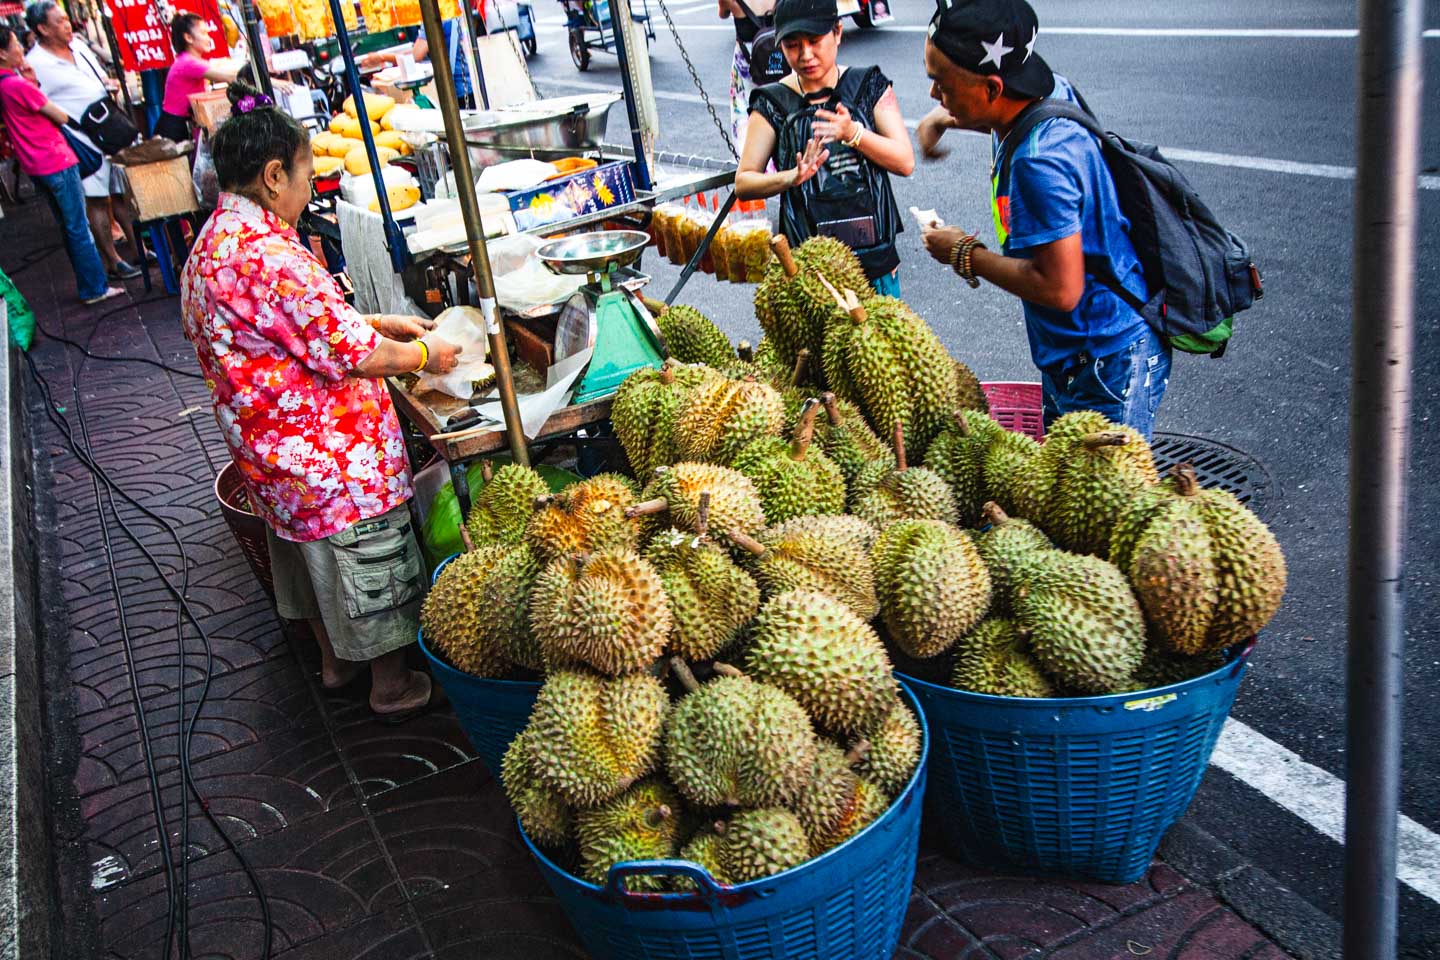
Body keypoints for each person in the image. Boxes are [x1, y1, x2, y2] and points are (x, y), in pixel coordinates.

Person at [179, 82, 464, 721]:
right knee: (362, 555)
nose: (312, 190)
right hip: (328, 460)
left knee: (305, 562)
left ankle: (335, 664)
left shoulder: (210, 246)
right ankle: (390, 684)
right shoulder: (268, 255)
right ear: (274, 174)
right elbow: (354, 355)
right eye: (307, 176)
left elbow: (301, 332)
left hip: (270, 457)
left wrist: (379, 321)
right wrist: (427, 357)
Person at [916, 0, 1169, 439]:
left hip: (1103, 359)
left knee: (1098, 501)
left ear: (993, 88)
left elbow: (1061, 288)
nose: (935, 95)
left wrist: (963, 252)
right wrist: (945, 118)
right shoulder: (1047, 92)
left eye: (941, 85)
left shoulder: (1039, 165)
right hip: (1076, 351)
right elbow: (1007, 116)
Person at [733, 0, 912, 296]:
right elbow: (744, 182)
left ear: (838, 32)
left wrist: (854, 132)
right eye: (792, 45)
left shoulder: (869, 85)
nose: (806, 55)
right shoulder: (772, 102)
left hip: (874, 261)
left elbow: (905, 161)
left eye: (815, 41)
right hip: (808, 270)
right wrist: (791, 177)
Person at [0, 25, 123, 304]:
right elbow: (59, 115)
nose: (21, 49)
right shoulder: (15, 85)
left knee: (69, 227)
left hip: (35, 165)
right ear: (2, 53)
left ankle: (90, 284)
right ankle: (95, 287)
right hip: (54, 159)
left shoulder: (5, 85)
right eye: (15, 45)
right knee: (78, 227)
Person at [25, 0, 141, 281]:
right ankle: (112, 260)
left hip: (110, 124)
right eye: (60, 21)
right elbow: (37, 104)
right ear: (42, 28)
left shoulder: (78, 45)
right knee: (97, 199)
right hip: (80, 136)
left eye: (66, 19)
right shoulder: (35, 63)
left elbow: (100, 77)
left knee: (122, 191)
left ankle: (138, 248)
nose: (67, 25)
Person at [154, 13, 246, 143]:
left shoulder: (190, 61)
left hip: (180, 126)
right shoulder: (188, 62)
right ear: (188, 38)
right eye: (203, 33)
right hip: (174, 130)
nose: (208, 38)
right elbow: (231, 77)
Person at [361, 13, 479, 108]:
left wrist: (381, 57)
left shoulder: (435, 15)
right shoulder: (450, 11)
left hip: (456, 86)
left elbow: (416, 55)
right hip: (465, 83)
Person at [717, 0, 775, 154]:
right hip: (776, 58)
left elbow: (722, 14)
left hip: (747, 61)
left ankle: (751, 162)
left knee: (744, 111)